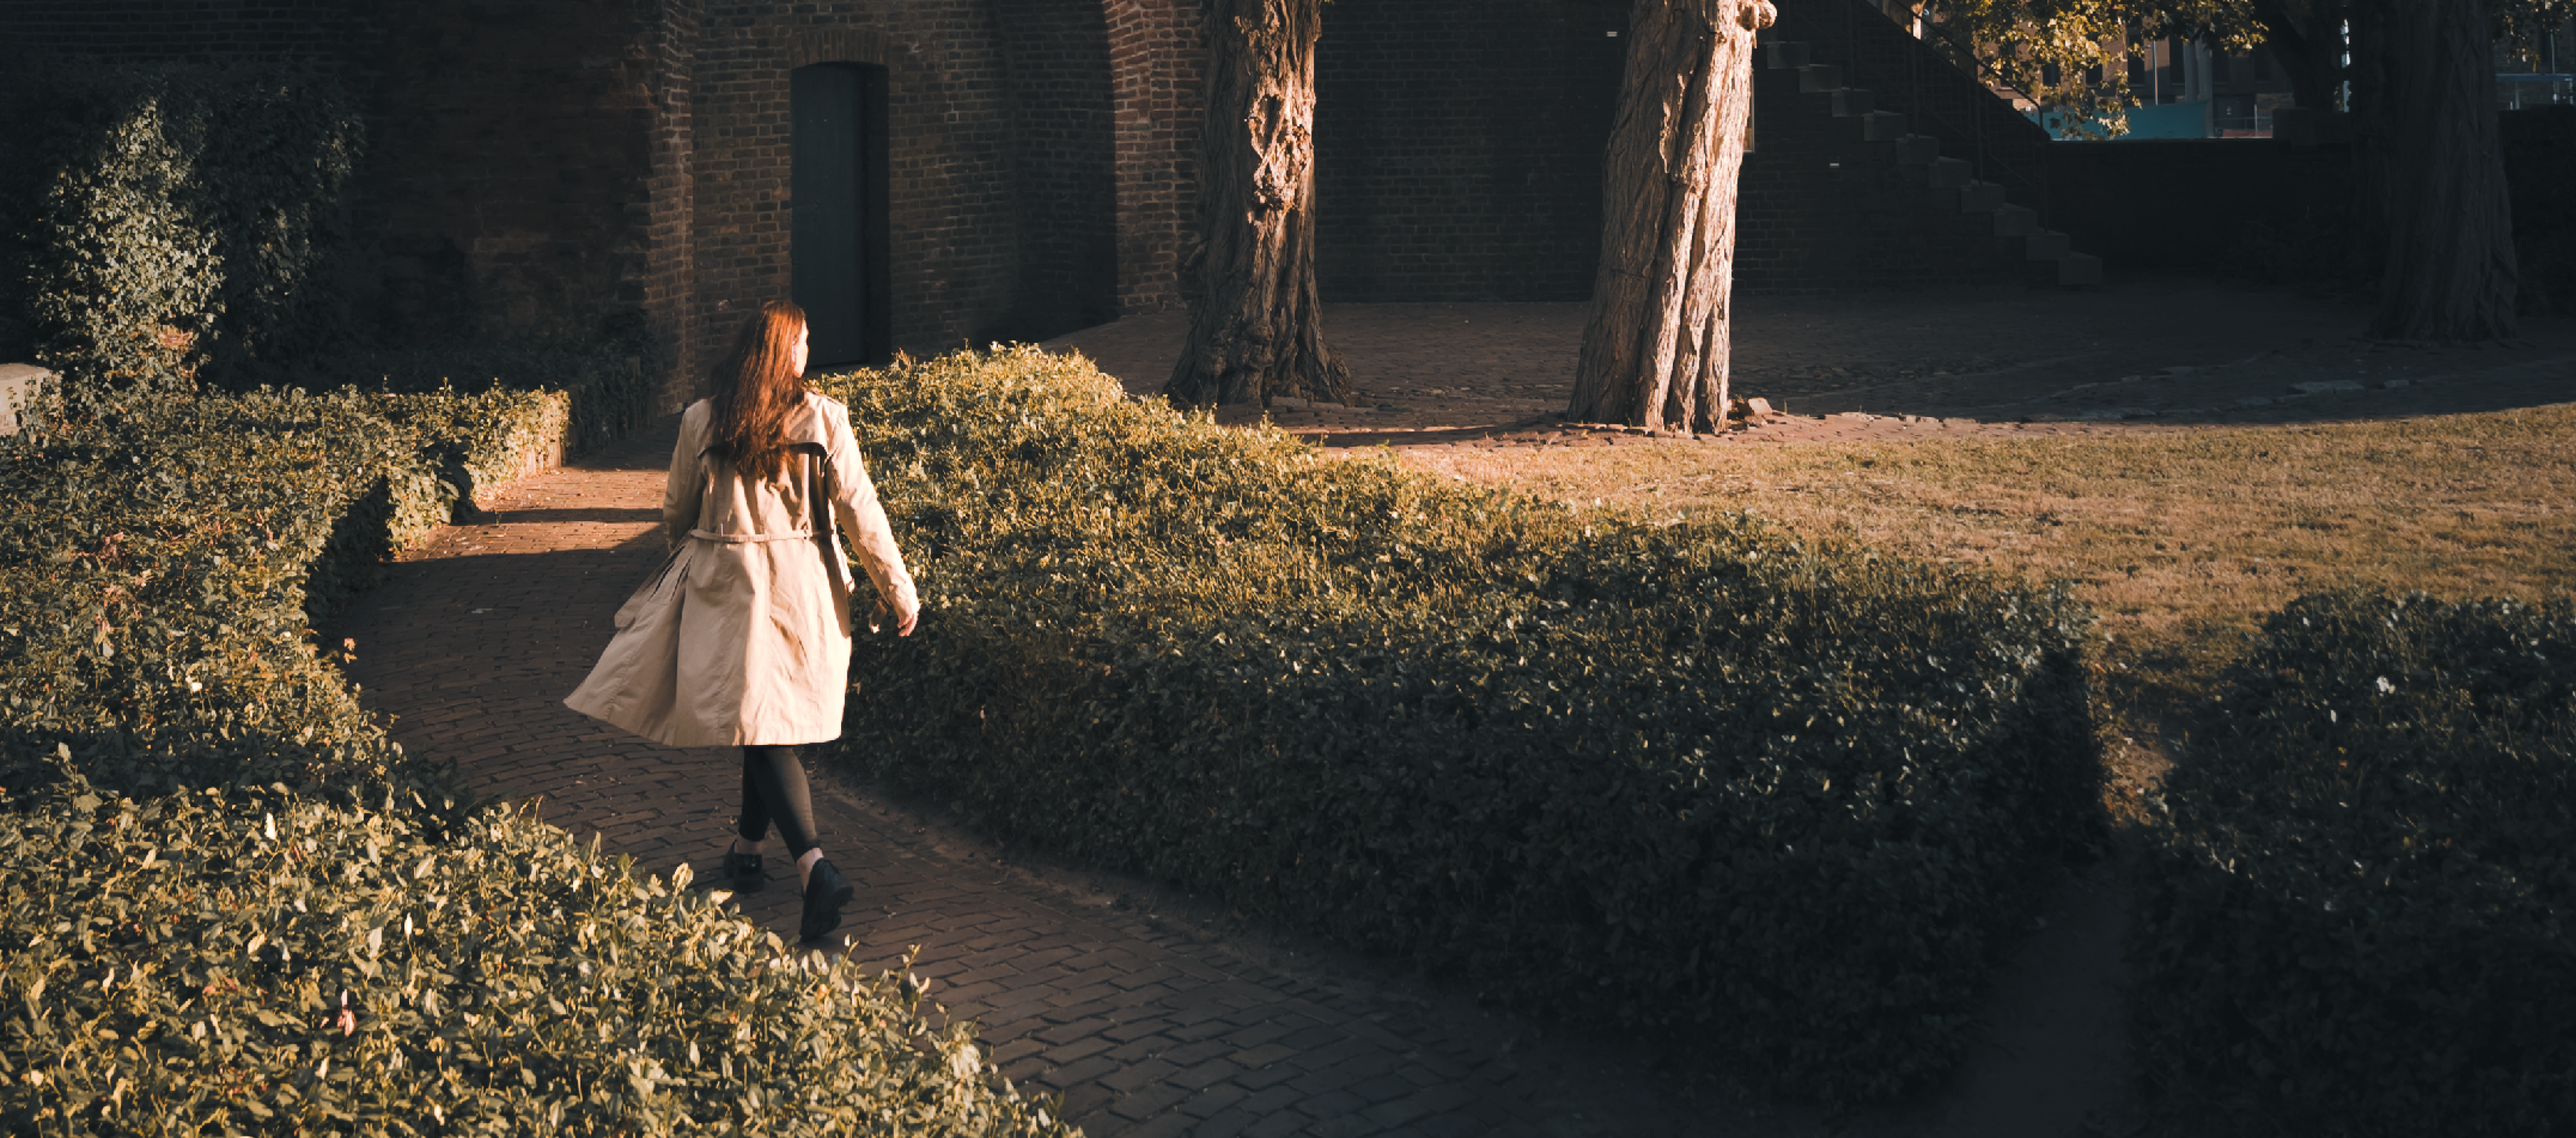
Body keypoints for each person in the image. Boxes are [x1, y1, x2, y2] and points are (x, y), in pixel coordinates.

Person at [565, 301, 919, 947]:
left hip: (728, 587)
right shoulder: (824, 418)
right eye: (803, 342)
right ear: (786, 351)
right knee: (762, 721)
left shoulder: (703, 418)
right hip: (805, 587)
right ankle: (749, 851)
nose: (808, 353)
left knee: (758, 722)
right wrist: (898, 589)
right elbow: (860, 511)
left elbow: (676, 507)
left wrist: (693, 552)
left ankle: (813, 866)